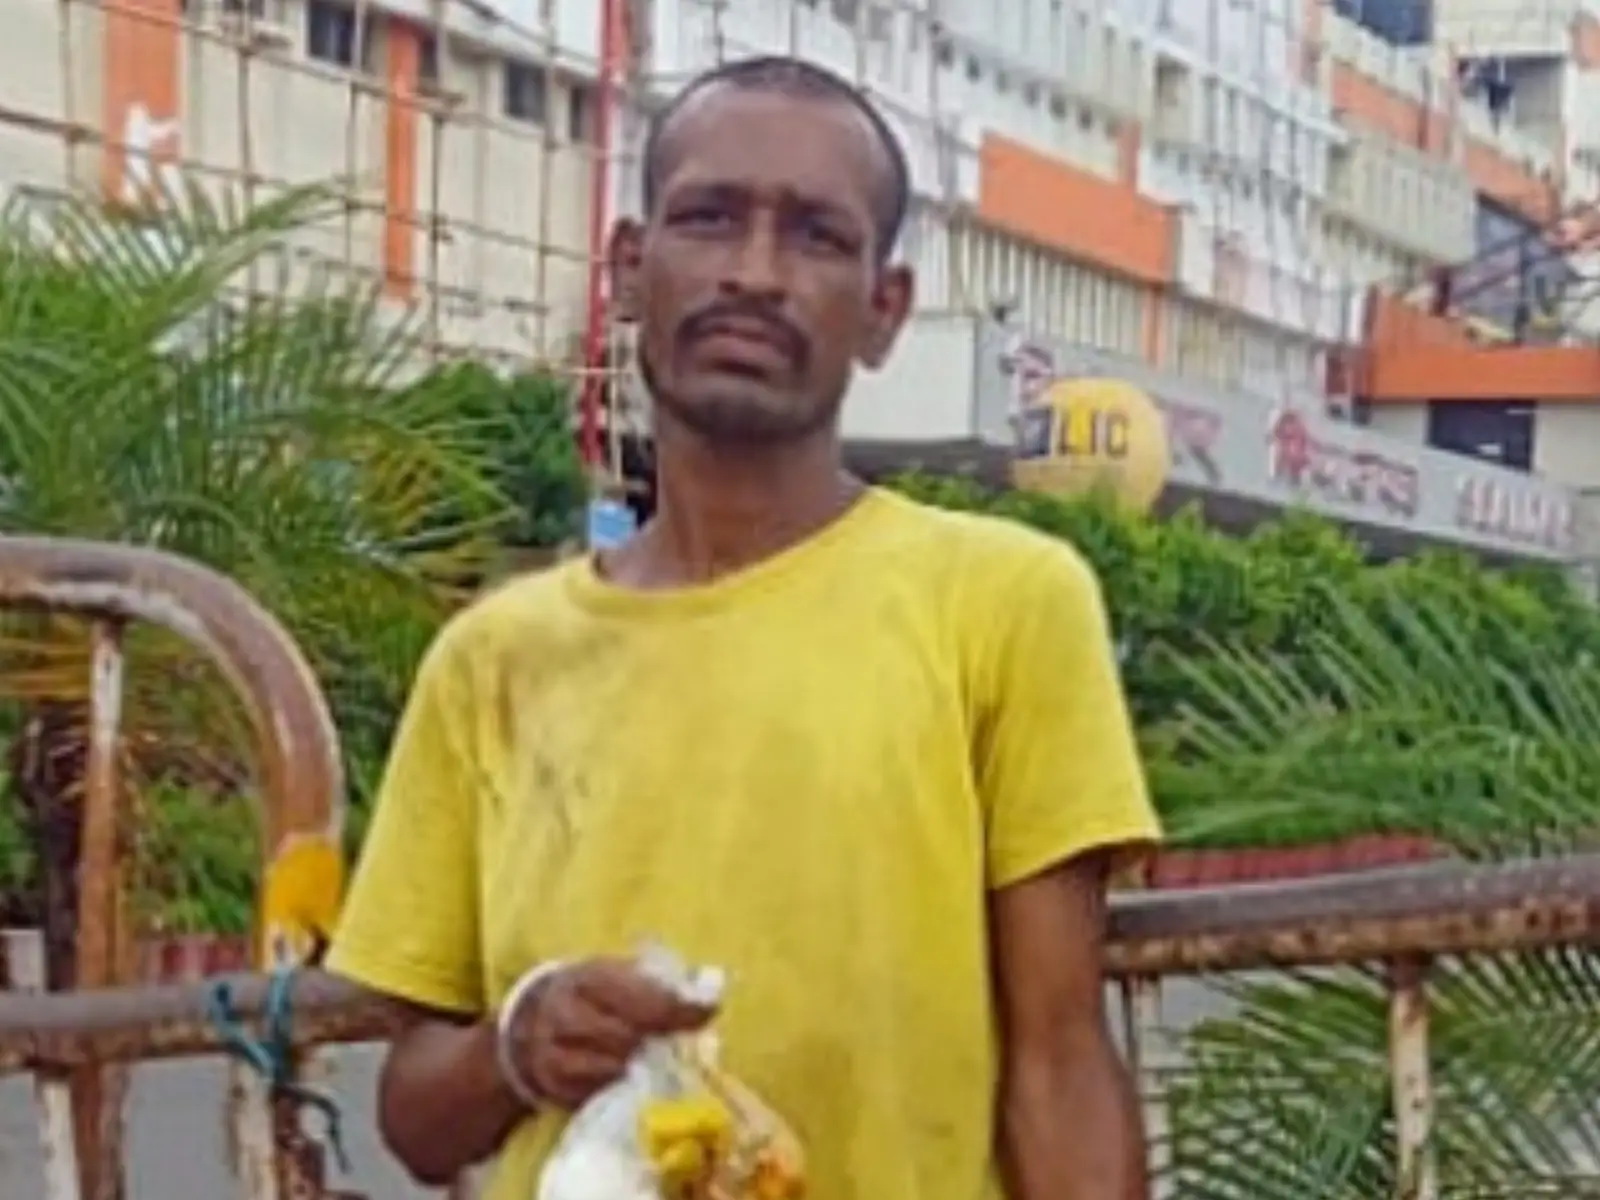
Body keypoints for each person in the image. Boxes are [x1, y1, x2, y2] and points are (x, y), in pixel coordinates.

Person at [326, 53, 1161, 1200]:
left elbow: (1058, 1069)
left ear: (883, 311)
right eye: (710, 218)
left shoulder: (1003, 603)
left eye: (816, 235)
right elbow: (416, 1119)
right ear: (630, 268)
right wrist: (520, 1042)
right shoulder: (491, 661)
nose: (755, 274)